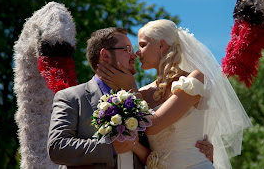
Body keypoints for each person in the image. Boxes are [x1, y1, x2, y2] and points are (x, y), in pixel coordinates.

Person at [47, 27, 213, 169]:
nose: (134, 55)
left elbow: (161, 146)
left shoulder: (141, 98)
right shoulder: (72, 97)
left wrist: (201, 152)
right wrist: (111, 147)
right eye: (126, 49)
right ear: (105, 56)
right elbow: (57, 147)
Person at [97, 20, 252, 169]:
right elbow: (139, 143)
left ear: (161, 45)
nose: (137, 53)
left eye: (143, 45)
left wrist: (131, 85)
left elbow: (152, 126)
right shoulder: (141, 93)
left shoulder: (194, 80)